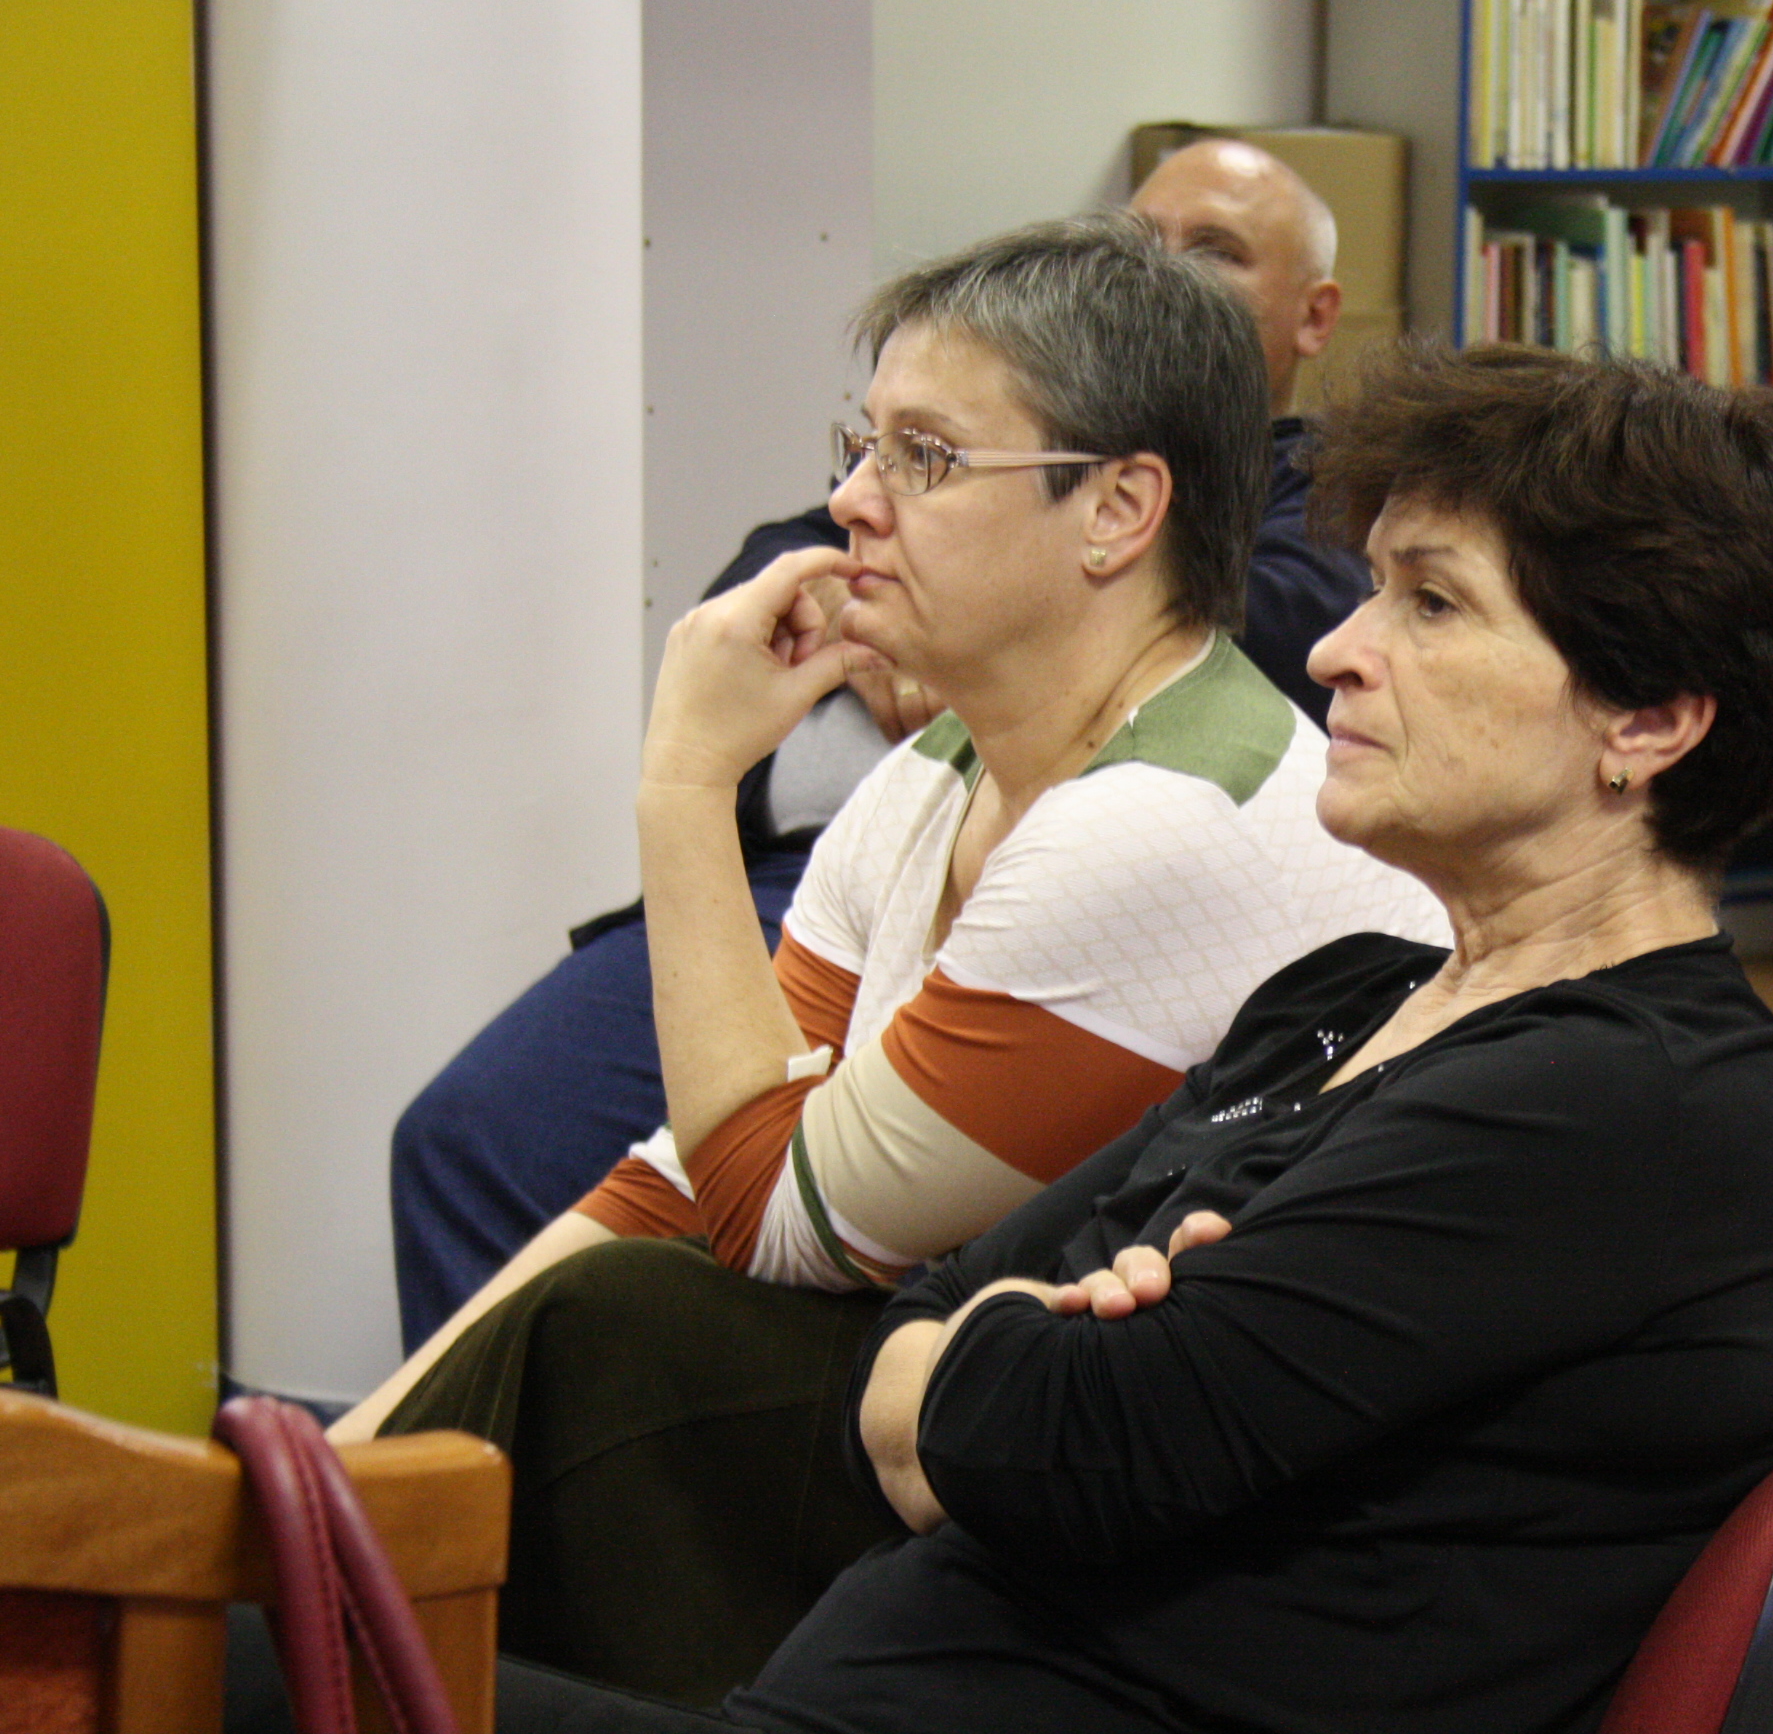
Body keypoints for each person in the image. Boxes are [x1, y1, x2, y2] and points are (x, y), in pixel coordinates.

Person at [236, 341, 1773, 1733]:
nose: (1336, 651)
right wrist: (1020, 1345)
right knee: (294, 1583)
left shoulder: (1608, 1110)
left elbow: (1045, 1441)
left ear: (1650, 719)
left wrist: (1023, 1358)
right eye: (1370, 592)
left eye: (1431, 606)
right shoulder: (1349, 995)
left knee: (191, 1677)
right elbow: (920, 1341)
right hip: (860, 1680)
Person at [386, 138, 1369, 1350]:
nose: (853, 501)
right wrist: (371, 1445)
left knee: (626, 1328)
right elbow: (686, 1173)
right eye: (865, 447)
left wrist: (687, 781)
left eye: (923, 457)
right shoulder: (932, 769)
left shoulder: (1155, 816)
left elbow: (767, 1218)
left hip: (1131, 1432)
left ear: (1118, 510)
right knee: (555, 1245)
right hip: (999, 1381)